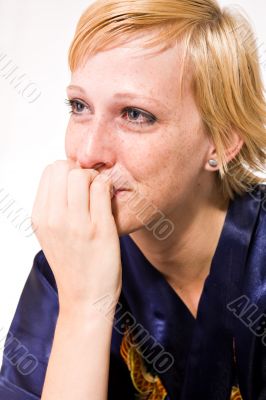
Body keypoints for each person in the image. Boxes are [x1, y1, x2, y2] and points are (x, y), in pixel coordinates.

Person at [0, 0, 266, 398]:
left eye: (136, 115)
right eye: (80, 106)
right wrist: (84, 304)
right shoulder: (70, 262)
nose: (88, 154)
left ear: (222, 141)